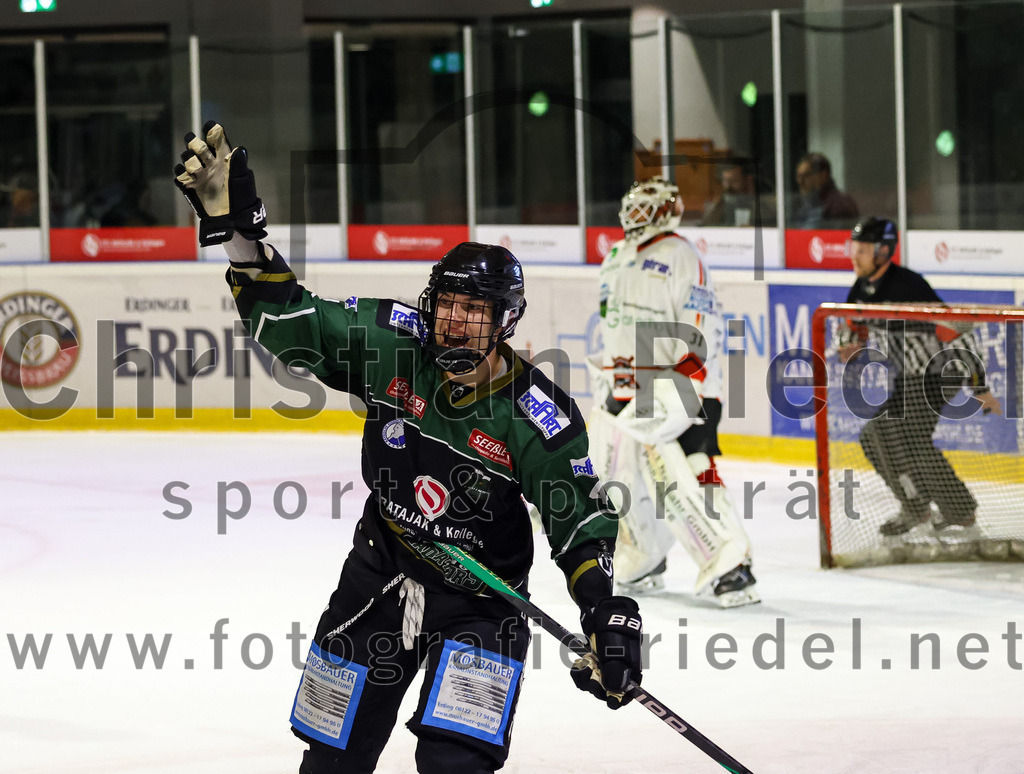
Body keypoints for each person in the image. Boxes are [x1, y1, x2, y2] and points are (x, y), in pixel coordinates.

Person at [173, 122, 643, 774]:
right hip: (381, 575)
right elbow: (292, 319)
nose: (454, 323)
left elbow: (579, 522)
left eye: (475, 313)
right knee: (331, 759)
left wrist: (605, 610)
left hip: (484, 605)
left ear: (506, 321)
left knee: (456, 765)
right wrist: (242, 236)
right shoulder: (392, 343)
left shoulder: (536, 417)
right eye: (447, 305)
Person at [589, 176, 758, 608]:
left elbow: (701, 327)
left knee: (689, 473)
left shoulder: (682, 256)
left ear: (667, 211)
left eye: (646, 207)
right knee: (616, 476)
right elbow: (614, 325)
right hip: (626, 385)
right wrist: (612, 378)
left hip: (679, 384)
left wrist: (687, 383)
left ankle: (732, 566)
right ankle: (644, 559)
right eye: (634, 206)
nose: (635, 215)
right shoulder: (615, 256)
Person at [838, 216, 1001, 537]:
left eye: (863, 249)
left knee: (908, 437)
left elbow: (958, 332)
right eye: (853, 248)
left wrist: (979, 385)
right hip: (910, 378)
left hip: (942, 373)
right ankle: (917, 505)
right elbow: (852, 324)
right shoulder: (861, 287)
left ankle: (957, 510)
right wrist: (850, 344)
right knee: (873, 436)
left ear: (883, 252)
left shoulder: (907, 287)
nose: (854, 256)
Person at [791, 152, 859, 229]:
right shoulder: (803, 204)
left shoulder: (839, 205)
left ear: (823, 175)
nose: (800, 181)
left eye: (806, 175)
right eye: (799, 176)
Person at [701, 161, 775, 227]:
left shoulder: (765, 201)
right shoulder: (722, 203)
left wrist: (751, 198)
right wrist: (719, 204)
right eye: (725, 181)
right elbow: (707, 224)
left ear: (746, 180)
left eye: (734, 181)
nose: (728, 186)